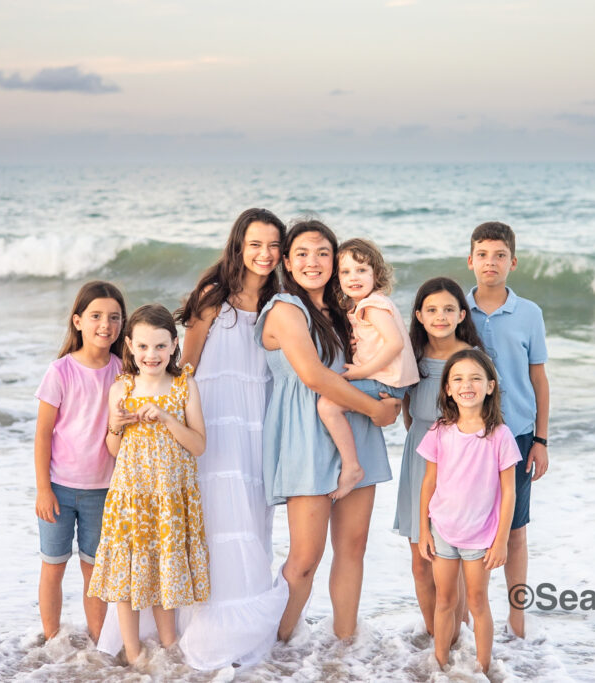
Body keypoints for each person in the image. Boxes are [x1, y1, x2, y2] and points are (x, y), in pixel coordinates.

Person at [255, 218, 401, 641]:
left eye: (322, 253)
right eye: (301, 253)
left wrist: (394, 401)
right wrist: (377, 410)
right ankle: (274, 647)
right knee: (305, 557)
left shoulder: (347, 310)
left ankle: (345, 644)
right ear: (286, 261)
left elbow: (383, 358)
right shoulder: (285, 309)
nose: (312, 262)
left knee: (353, 548)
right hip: (306, 432)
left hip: (352, 426)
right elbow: (315, 376)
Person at [172, 208, 290, 670]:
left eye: (273, 245)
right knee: (220, 515)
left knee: (253, 513)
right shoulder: (211, 298)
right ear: (239, 245)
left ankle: (249, 624)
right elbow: (187, 368)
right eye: (256, 244)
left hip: (259, 420)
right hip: (216, 421)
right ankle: (212, 625)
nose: (265, 254)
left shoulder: (280, 303)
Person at [87, 304, 209, 665]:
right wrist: (117, 425)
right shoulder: (122, 387)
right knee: (126, 576)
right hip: (131, 497)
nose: (150, 355)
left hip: (169, 500)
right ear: (129, 346)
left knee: (163, 571)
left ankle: (170, 650)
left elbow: (199, 445)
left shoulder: (184, 386)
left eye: (159, 346)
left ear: (174, 345)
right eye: (142, 346)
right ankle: (136, 655)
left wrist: (169, 418)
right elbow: (112, 448)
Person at [465, 221, 550, 638]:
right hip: (467, 438)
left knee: (515, 532)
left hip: (516, 436)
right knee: (465, 531)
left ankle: (517, 623)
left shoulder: (529, 313)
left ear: (512, 262)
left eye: (499, 255)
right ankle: (466, 620)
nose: (490, 262)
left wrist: (541, 440)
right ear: (470, 261)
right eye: (482, 254)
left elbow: (539, 380)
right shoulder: (457, 310)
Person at [33, 280, 127, 643]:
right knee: (53, 567)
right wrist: (43, 489)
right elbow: (43, 434)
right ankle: (52, 641)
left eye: (114, 317)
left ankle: (99, 645)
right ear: (78, 321)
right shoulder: (60, 372)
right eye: (96, 316)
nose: (106, 324)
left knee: (95, 571)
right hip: (59, 488)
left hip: (104, 491)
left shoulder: (122, 371)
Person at [418, 349, 520, 673]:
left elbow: (509, 492)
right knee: (445, 600)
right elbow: (428, 483)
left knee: (477, 602)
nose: (467, 385)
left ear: (490, 386)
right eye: (458, 378)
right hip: (443, 530)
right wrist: (423, 530)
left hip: (480, 536)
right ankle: (440, 665)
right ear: (448, 388)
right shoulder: (439, 430)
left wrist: (501, 540)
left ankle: (483, 668)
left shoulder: (499, 435)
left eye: (476, 378)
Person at [392, 277, 482, 638]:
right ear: (419, 315)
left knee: (451, 563)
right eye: (431, 309)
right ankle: (435, 640)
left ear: (462, 314)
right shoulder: (411, 357)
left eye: (448, 309)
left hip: (460, 464)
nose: (440, 316)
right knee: (420, 562)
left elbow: (486, 418)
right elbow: (408, 414)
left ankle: (456, 639)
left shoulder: (473, 358)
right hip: (419, 458)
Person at [317, 238, 419, 500]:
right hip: (392, 380)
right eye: (346, 271)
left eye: (362, 270)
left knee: (327, 405)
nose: (354, 277)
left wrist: (361, 372)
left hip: (387, 381)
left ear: (377, 274)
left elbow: (394, 343)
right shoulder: (370, 304)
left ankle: (352, 467)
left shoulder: (372, 306)